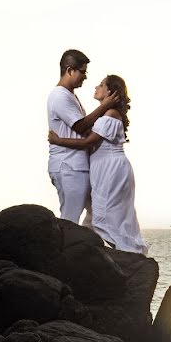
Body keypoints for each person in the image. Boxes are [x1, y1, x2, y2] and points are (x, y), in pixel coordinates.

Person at [49, 74, 148, 255]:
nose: (96, 87)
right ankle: (93, 253)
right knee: (100, 215)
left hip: (110, 168)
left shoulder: (111, 114)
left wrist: (57, 140)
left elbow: (88, 142)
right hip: (105, 167)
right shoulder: (105, 114)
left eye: (101, 85)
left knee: (106, 215)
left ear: (110, 92)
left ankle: (130, 255)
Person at [47, 49, 118, 224]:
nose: (85, 77)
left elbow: (85, 128)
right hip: (69, 165)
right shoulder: (59, 96)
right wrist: (104, 106)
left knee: (97, 213)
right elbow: (81, 126)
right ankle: (65, 250)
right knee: (70, 218)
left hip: (76, 165)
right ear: (70, 70)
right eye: (83, 72)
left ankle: (87, 249)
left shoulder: (69, 95)